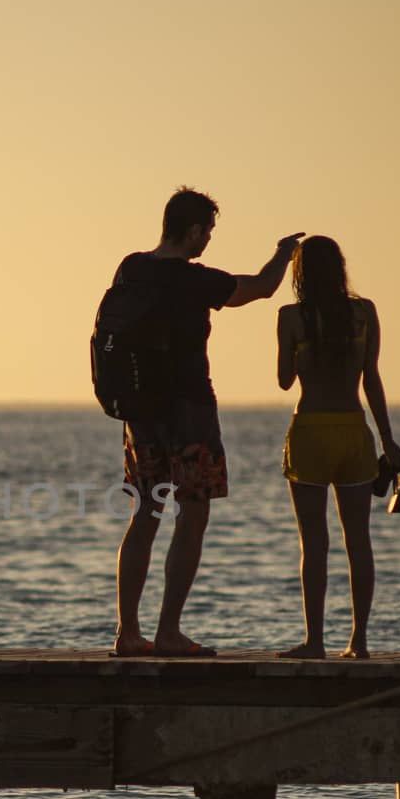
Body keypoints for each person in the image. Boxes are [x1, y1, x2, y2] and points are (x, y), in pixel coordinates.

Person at [112, 187, 303, 657]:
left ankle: (129, 633)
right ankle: (170, 631)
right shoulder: (196, 280)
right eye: (209, 232)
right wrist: (284, 253)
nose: (209, 241)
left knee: (146, 514)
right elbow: (261, 287)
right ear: (195, 230)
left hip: (140, 416)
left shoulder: (130, 268)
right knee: (192, 515)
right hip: (190, 412)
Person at [275, 235, 400, 659]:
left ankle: (314, 641)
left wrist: (300, 352)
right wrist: (388, 440)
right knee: (358, 542)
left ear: (301, 274)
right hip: (353, 430)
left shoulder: (291, 316)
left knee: (314, 544)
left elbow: (283, 380)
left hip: (310, 431)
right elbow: (372, 378)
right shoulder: (364, 313)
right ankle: (359, 641)